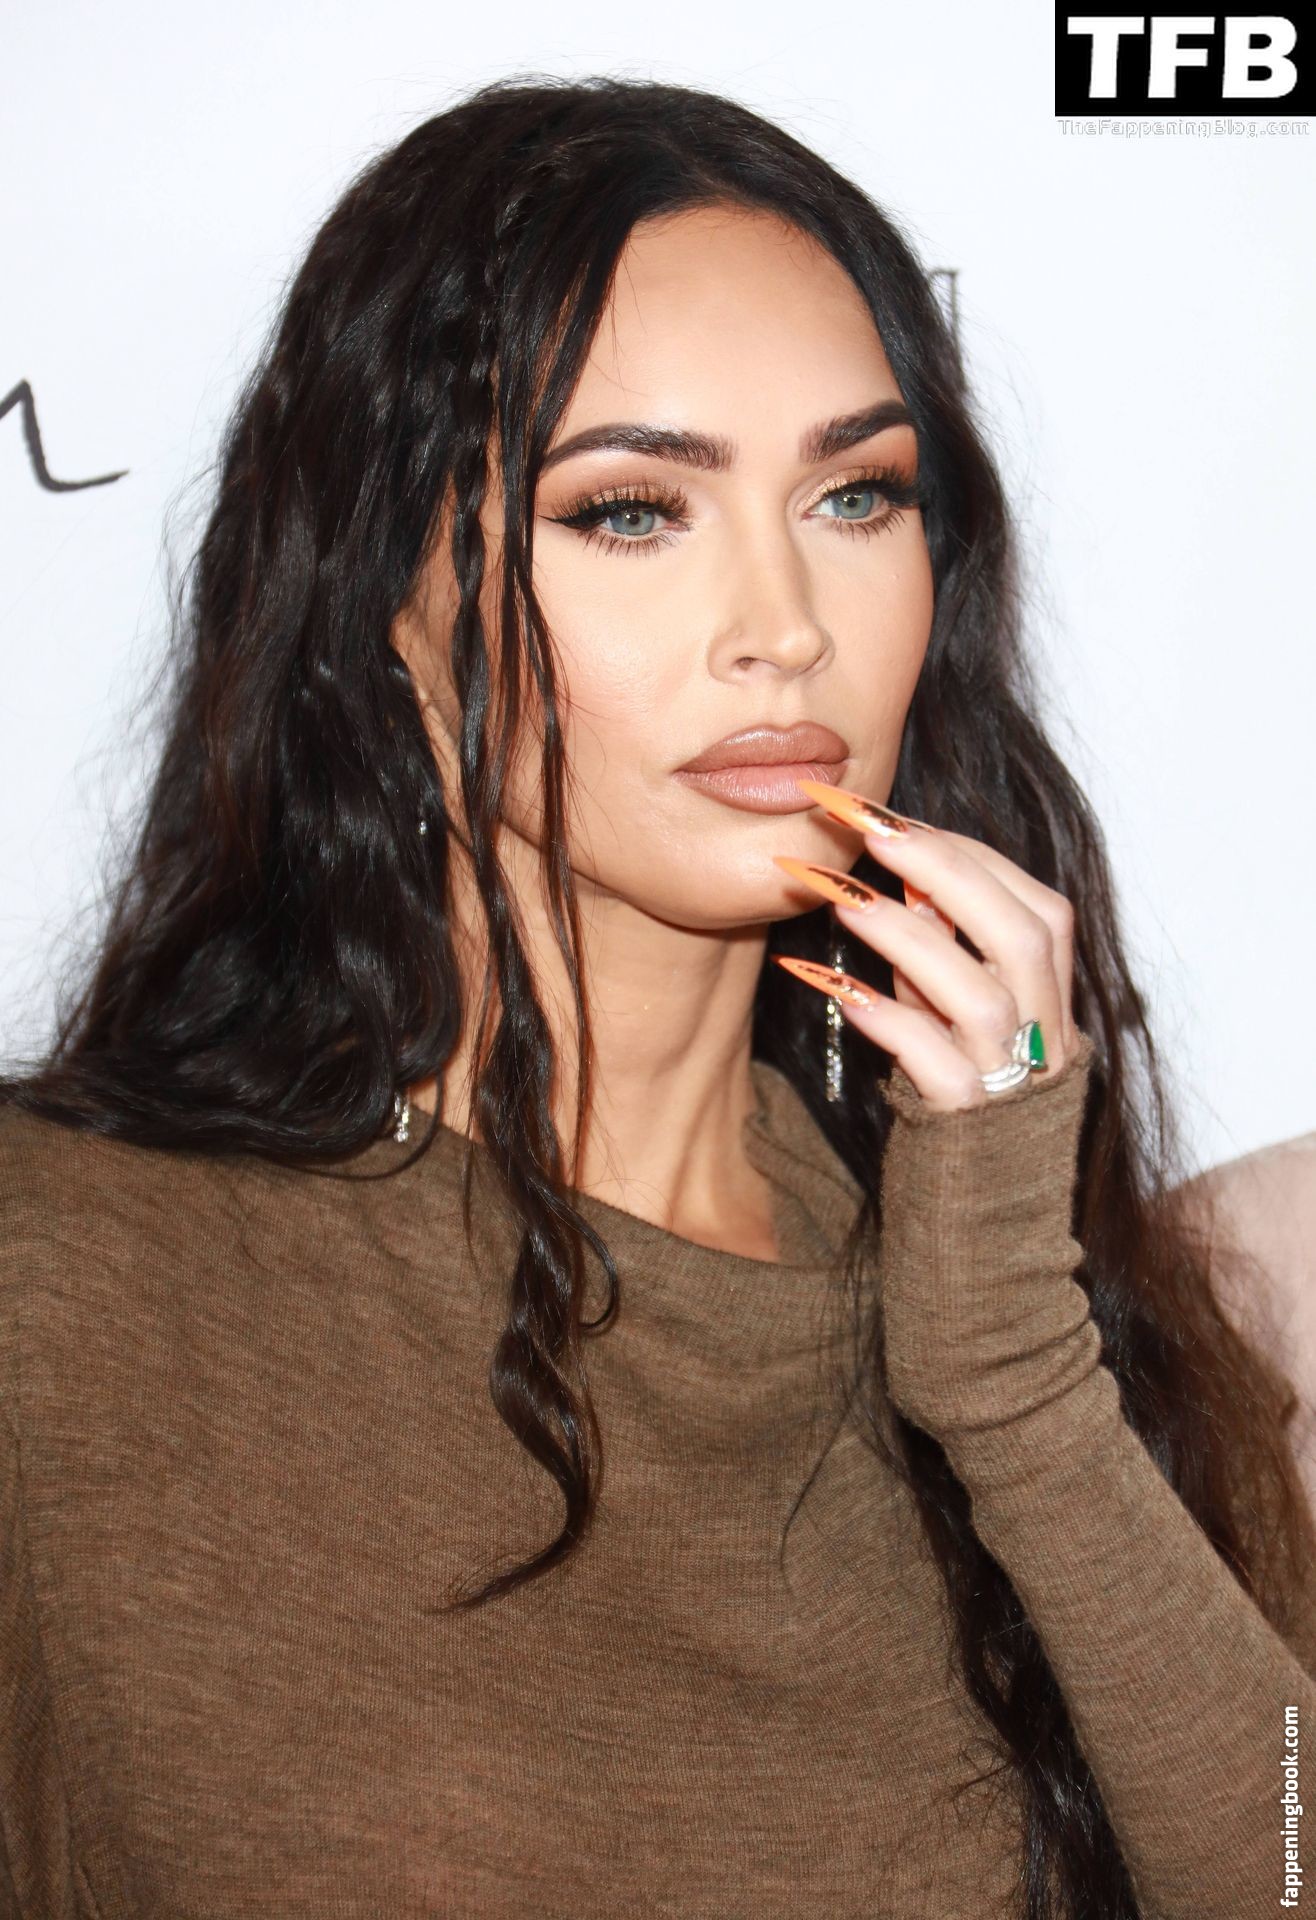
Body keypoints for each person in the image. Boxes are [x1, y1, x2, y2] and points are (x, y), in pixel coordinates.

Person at [1, 73, 1311, 1920]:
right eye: (631, 512)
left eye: (856, 495)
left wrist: (1017, 1374)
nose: (786, 624)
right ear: (389, 592)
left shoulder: (1039, 1289)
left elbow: (1283, 1851)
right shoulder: (65, 1279)